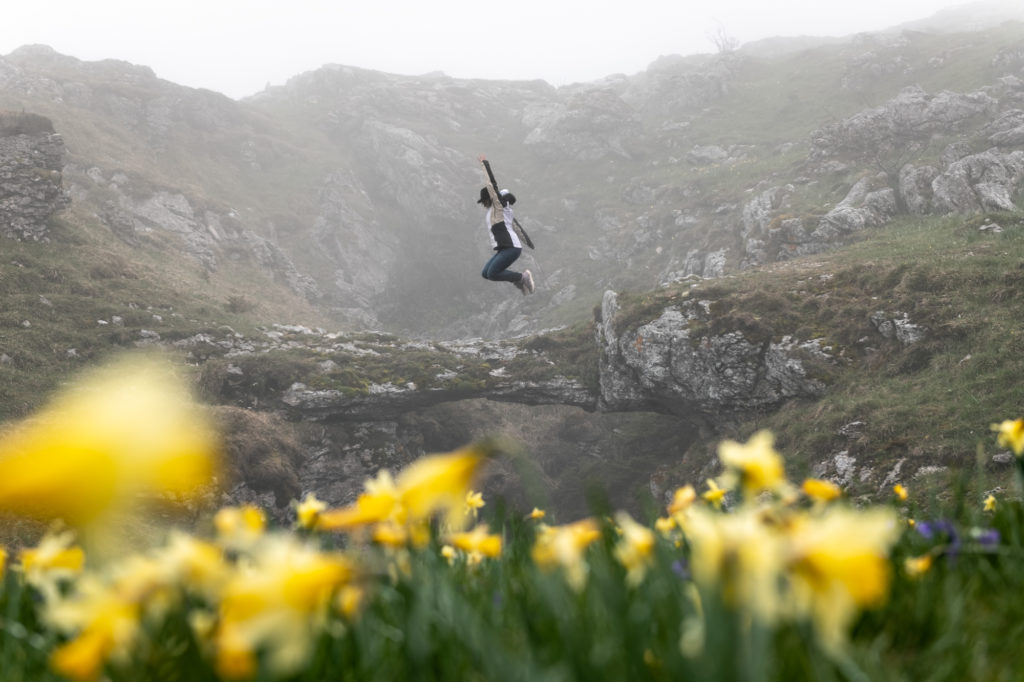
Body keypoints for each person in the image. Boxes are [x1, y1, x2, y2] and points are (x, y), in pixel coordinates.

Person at [478, 157, 534, 295]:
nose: (483, 204)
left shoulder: (499, 207)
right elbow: (516, 227)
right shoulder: (492, 212)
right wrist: (527, 241)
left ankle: (522, 278)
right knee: (485, 273)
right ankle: (519, 280)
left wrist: (484, 164)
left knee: (492, 273)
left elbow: (491, 184)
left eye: (484, 201)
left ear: (490, 199)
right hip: (504, 248)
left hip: (511, 248)